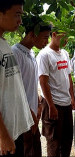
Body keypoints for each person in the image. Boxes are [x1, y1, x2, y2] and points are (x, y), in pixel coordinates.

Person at [11, 16, 51, 157]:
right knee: (26, 149)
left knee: (35, 149)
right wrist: (29, 113)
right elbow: (16, 89)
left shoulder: (31, 52)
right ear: (32, 34)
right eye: (45, 37)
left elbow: (31, 84)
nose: (47, 42)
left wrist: (39, 105)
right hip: (22, 117)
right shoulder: (15, 53)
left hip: (32, 114)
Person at [0, 0, 34, 156]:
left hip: (15, 130)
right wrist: (3, 137)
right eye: (17, 14)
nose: (20, 21)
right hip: (5, 136)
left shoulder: (4, 43)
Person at [36, 31, 75, 157]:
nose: (66, 40)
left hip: (66, 103)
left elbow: (69, 77)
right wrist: (51, 106)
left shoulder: (64, 53)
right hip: (52, 105)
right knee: (54, 142)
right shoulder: (44, 55)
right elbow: (43, 82)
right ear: (54, 34)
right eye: (64, 36)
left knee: (67, 139)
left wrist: (72, 98)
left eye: (68, 37)